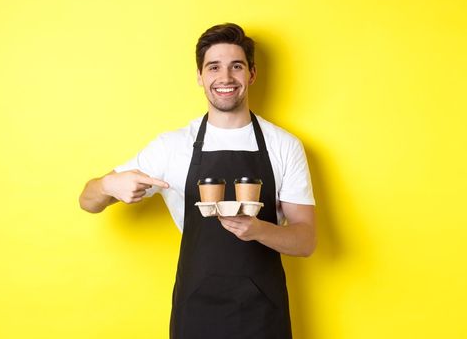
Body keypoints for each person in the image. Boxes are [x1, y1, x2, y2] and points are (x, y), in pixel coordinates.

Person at [78, 23, 316, 339]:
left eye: (237, 66)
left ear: (252, 74)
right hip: (196, 312)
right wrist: (109, 186)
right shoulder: (171, 147)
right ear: (200, 77)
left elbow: (306, 240)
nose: (226, 78)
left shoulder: (284, 146)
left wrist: (257, 228)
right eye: (213, 67)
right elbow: (88, 201)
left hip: (263, 315)